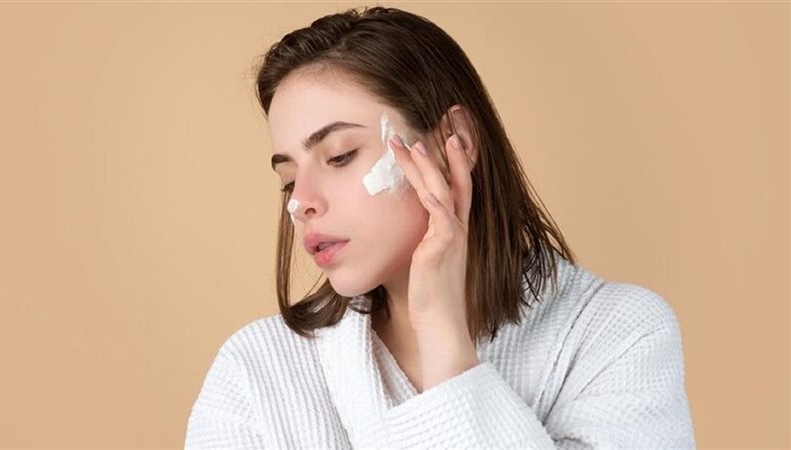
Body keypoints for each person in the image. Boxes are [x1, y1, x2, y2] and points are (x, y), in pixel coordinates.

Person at [185, 6, 696, 449]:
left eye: (339, 156)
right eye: (287, 180)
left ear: (456, 141)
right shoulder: (255, 371)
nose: (302, 203)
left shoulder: (619, 336)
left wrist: (444, 339)